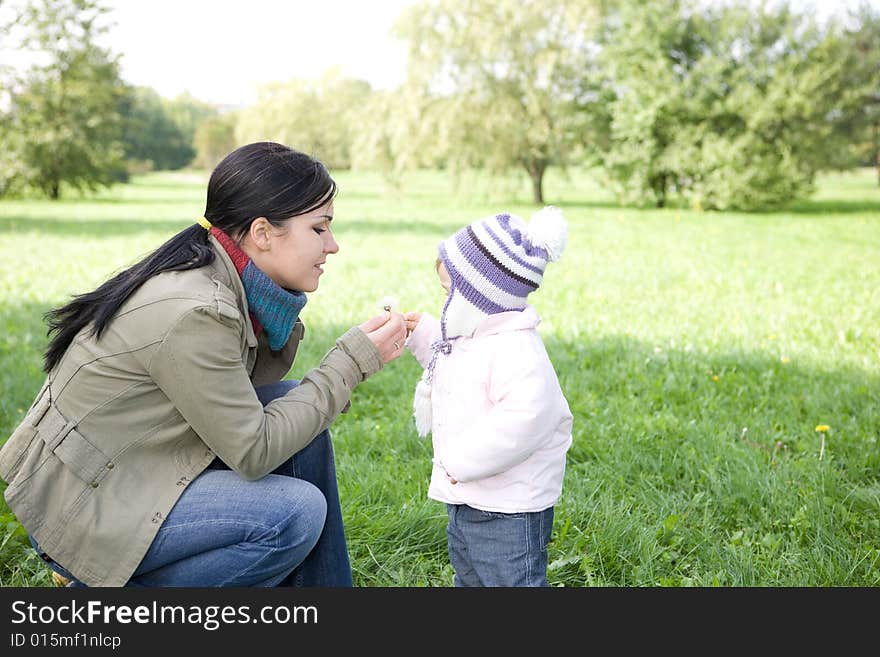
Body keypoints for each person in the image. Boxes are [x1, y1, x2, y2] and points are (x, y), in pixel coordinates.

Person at [0, 141, 408, 587]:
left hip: (132, 471)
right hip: (82, 510)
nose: (333, 245)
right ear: (263, 233)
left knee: (294, 405)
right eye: (319, 228)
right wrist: (349, 363)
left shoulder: (217, 272)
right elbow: (253, 452)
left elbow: (245, 394)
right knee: (292, 515)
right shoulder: (197, 310)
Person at [403, 206, 574, 587]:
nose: (445, 303)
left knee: (509, 580)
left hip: (509, 511)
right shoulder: (480, 335)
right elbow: (460, 368)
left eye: (450, 293)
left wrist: (460, 461)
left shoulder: (517, 350)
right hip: (471, 500)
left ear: (481, 298)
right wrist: (425, 336)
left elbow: (524, 420)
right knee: (471, 578)